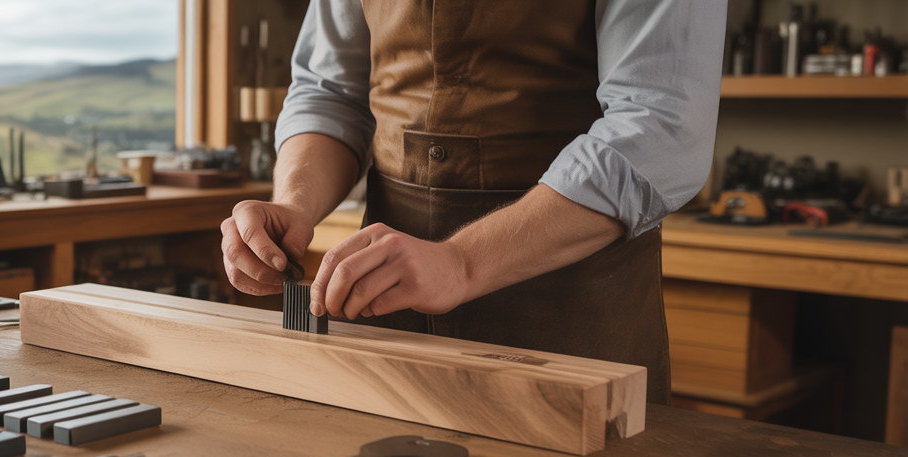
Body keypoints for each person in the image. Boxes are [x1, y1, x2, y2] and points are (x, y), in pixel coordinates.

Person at [220, 0, 727, 403]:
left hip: (568, 308)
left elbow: (661, 123)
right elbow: (329, 92)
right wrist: (295, 204)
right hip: (386, 312)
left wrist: (461, 262)